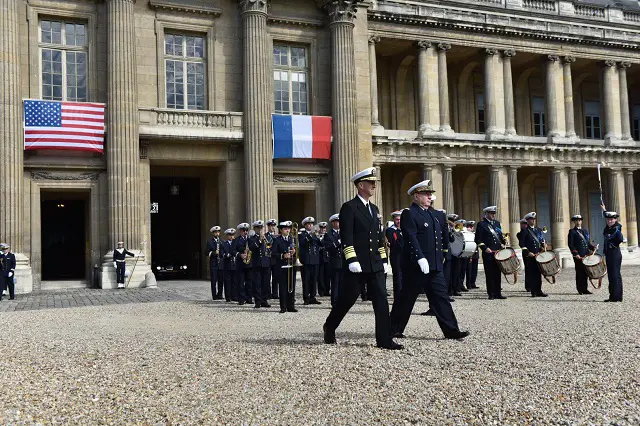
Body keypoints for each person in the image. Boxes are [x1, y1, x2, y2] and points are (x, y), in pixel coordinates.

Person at [323, 167, 401, 350]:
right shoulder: (349, 207)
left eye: (375, 182)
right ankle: (330, 326)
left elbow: (378, 237)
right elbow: (347, 236)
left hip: (374, 263)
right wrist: (351, 260)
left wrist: (384, 259)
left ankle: (384, 339)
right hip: (358, 264)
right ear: (360, 185)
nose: (374, 185)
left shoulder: (374, 208)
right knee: (347, 300)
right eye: (370, 182)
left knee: (381, 300)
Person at [389, 180, 469, 340]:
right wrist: (419, 258)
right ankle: (392, 330)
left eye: (430, 194)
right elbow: (411, 237)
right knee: (406, 298)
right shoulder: (409, 213)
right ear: (416, 196)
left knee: (441, 297)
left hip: (434, 265)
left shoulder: (433, 214)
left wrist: (442, 256)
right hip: (415, 265)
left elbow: (440, 238)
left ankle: (452, 331)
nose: (430, 197)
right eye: (426, 194)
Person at [474, 206, 507, 300]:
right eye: (491, 213)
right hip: (488, 253)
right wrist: (485, 248)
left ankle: (498, 293)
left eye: (494, 213)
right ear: (487, 214)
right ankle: (491, 294)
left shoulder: (497, 223)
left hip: (498, 252)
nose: (493, 215)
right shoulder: (481, 224)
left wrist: (503, 242)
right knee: (490, 273)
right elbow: (478, 239)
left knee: (497, 273)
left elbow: (500, 235)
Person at [271, 221, 298, 313]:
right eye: (285, 229)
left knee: (291, 287)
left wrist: (294, 252)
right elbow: (273, 253)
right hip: (282, 266)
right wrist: (283, 255)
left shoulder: (292, 239)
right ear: (281, 230)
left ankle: (291, 306)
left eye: (289, 228)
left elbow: (297, 251)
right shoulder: (277, 240)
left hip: (291, 266)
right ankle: (283, 307)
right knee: (283, 287)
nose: (288, 230)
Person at [520, 212, 547, 297]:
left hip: (538, 254)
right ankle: (533, 291)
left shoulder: (538, 230)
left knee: (538, 273)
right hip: (530, 255)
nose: (533, 221)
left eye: (534, 219)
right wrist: (528, 253)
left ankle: (539, 290)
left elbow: (541, 240)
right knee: (532, 274)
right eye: (531, 219)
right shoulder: (525, 231)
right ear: (527, 221)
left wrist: (543, 245)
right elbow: (522, 244)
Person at [567, 214, 595, 295]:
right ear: (574, 222)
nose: (578, 222)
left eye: (579, 220)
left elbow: (587, 243)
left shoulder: (585, 231)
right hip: (578, 255)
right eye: (576, 220)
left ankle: (585, 289)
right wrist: (575, 253)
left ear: (581, 221)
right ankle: (580, 289)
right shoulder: (572, 232)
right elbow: (571, 244)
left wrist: (593, 247)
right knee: (579, 272)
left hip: (586, 255)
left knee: (586, 272)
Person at [601, 206, 624, 302]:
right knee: (611, 275)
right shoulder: (608, 228)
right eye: (608, 219)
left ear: (615, 219)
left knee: (615, 276)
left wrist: (613, 245)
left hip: (615, 254)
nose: (610, 221)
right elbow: (606, 218)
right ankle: (614, 296)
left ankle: (616, 297)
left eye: (612, 219)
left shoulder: (617, 228)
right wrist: (604, 210)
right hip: (609, 255)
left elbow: (620, 239)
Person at [248, 220, 272, 309]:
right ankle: (257, 301)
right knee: (257, 283)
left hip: (266, 263)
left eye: (261, 227)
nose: (260, 229)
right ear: (254, 229)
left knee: (266, 283)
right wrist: (260, 240)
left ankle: (264, 300)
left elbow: (269, 248)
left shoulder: (267, 237)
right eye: (258, 227)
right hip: (257, 263)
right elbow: (252, 247)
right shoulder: (252, 238)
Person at [299, 217, 322, 305]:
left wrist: (318, 236)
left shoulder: (315, 234)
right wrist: (311, 235)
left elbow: (321, 244)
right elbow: (303, 243)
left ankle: (313, 297)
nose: (311, 225)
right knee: (306, 280)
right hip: (306, 260)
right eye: (308, 224)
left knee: (314, 279)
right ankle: (306, 297)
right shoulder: (302, 234)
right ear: (305, 225)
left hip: (315, 260)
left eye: (312, 224)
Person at [324, 214, 343, 307]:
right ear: (333, 223)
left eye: (339, 221)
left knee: (342, 283)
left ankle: (341, 300)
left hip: (343, 261)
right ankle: (334, 301)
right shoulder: (329, 235)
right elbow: (327, 247)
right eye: (337, 222)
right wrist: (337, 244)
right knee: (335, 283)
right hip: (334, 261)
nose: (339, 223)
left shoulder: (343, 233)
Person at [232, 223, 253, 305]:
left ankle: (249, 298)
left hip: (250, 263)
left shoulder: (250, 240)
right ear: (240, 231)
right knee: (240, 282)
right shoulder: (236, 240)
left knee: (249, 282)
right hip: (240, 264)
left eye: (246, 230)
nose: (245, 232)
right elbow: (232, 251)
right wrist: (240, 255)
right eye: (244, 230)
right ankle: (241, 299)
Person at [386, 211, 404, 301]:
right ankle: (398, 298)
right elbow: (394, 242)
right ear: (393, 220)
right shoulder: (390, 230)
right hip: (396, 256)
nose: (399, 221)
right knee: (397, 277)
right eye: (397, 219)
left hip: (405, 256)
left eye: (400, 219)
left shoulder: (405, 229)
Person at [205, 226, 224, 300]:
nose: (217, 233)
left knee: (220, 280)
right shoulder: (209, 242)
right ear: (213, 233)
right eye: (216, 232)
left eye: (218, 232)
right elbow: (206, 252)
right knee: (214, 280)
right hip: (213, 264)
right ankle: (214, 295)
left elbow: (223, 251)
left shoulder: (221, 241)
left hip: (220, 264)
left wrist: (222, 253)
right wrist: (213, 253)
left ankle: (220, 294)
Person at [222, 229, 237, 302]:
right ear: (227, 236)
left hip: (234, 264)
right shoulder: (224, 244)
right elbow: (222, 253)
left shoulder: (235, 243)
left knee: (234, 281)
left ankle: (234, 296)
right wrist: (226, 254)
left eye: (233, 235)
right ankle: (228, 297)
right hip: (227, 265)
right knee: (227, 281)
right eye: (230, 235)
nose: (231, 236)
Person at [266, 219, 279, 299]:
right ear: (268, 227)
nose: (273, 227)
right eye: (271, 226)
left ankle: (275, 293)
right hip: (268, 258)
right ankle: (268, 293)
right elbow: (267, 246)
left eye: (274, 226)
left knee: (275, 277)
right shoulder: (266, 236)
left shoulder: (278, 236)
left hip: (275, 259)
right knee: (267, 277)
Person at [317, 222, 330, 297]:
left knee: (327, 276)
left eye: (324, 228)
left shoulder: (328, 236)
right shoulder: (317, 236)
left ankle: (327, 291)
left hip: (327, 258)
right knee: (320, 276)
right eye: (321, 228)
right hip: (320, 258)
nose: (323, 230)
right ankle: (321, 291)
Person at [465, 220, 479, 290]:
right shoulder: (467, 235)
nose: (471, 228)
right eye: (469, 226)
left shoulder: (475, 234)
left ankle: (473, 283)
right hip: (469, 254)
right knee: (469, 271)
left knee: (474, 270)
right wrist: (470, 256)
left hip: (475, 254)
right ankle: (469, 284)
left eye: (472, 227)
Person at [516, 218, 529, 291]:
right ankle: (528, 286)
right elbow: (521, 241)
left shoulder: (530, 231)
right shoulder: (520, 233)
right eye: (524, 224)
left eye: (526, 224)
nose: (525, 225)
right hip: (526, 253)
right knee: (527, 269)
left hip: (534, 252)